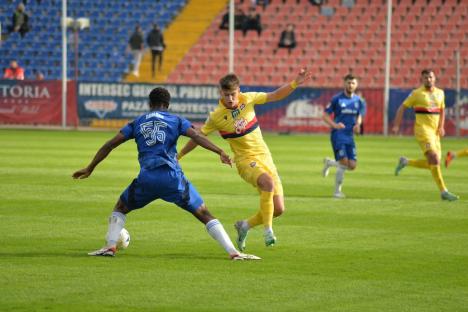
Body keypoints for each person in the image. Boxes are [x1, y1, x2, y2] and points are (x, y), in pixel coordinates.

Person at [72, 87, 260, 260]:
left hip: (147, 179)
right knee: (204, 213)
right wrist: (219, 151)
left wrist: (90, 167)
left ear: (149, 104)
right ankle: (234, 252)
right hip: (172, 179)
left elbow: (110, 144)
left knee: (121, 207)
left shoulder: (137, 122)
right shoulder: (176, 120)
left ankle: (110, 246)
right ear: (167, 105)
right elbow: (196, 136)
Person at [178, 69, 313, 251]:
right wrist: (179, 156)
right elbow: (197, 136)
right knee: (267, 182)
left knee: (278, 209)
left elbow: (275, 95)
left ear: (238, 91)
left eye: (233, 94)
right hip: (244, 161)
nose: (230, 99)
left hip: (265, 157)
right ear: (221, 94)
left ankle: (245, 226)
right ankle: (268, 231)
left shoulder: (248, 98)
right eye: (226, 95)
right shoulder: (217, 116)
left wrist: (295, 83)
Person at [392, 69, 458, 201]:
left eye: (430, 77)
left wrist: (441, 126)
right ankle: (443, 192)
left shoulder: (440, 93)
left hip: (435, 133)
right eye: (426, 77)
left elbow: (442, 110)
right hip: (423, 130)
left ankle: (406, 162)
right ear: (421, 79)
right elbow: (402, 107)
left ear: (434, 78)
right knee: (434, 158)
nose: (428, 79)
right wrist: (396, 125)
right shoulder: (417, 93)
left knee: (433, 163)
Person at [321, 74, 365, 198]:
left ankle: (330, 163)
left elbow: (359, 116)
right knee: (344, 163)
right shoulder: (337, 99)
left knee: (352, 166)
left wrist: (358, 125)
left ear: (356, 85)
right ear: (344, 84)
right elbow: (324, 116)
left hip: (350, 136)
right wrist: (334, 125)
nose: (350, 85)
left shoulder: (358, 101)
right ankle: (337, 191)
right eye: (348, 83)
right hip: (338, 135)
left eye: (353, 83)